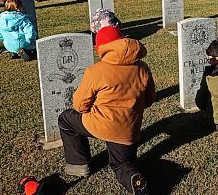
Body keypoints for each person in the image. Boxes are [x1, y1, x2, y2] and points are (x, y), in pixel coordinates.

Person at [58, 11, 155, 194]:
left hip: (100, 124)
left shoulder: (96, 71)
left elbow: (79, 106)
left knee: (66, 119)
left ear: (101, 47)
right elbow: (149, 100)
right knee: (121, 165)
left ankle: (79, 164)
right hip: (129, 130)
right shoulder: (143, 68)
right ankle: (135, 179)